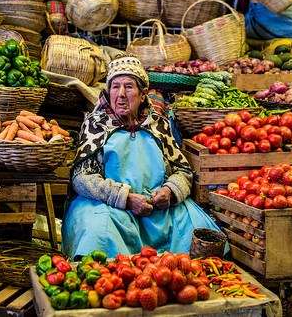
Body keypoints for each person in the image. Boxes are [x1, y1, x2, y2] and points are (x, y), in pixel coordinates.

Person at [62, 56, 221, 258]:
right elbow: (81, 178)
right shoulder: (96, 124)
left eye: (128, 87)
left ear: (142, 93)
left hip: (158, 210)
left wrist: (169, 191)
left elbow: (183, 170)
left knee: (197, 225)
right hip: (111, 207)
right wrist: (124, 198)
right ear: (108, 91)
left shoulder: (159, 124)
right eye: (115, 87)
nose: (120, 94)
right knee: (98, 232)